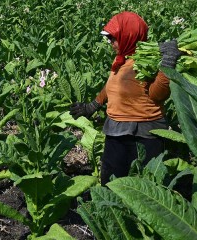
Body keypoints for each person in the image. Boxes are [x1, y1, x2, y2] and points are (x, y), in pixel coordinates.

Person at [69, 11, 182, 185]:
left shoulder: (148, 61)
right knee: (111, 183)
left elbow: (157, 95)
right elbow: (112, 85)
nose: (111, 43)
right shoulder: (121, 60)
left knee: (145, 185)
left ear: (128, 35)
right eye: (109, 39)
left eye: (114, 38)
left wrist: (167, 64)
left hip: (144, 132)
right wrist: (93, 105)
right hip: (116, 130)